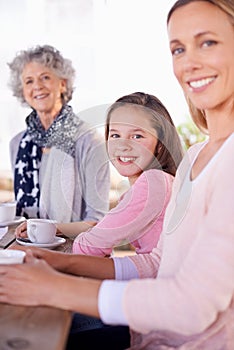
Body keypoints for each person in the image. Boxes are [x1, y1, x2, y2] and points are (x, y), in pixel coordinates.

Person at [0, 1, 233, 349]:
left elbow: (192, 307)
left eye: (208, 42)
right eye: (178, 48)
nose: (189, 62)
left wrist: (54, 285)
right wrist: (58, 261)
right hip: (146, 333)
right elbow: (157, 263)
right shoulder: (197, 157)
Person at [16, 92, 183, 256]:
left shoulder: (152, 183)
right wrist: (54, 228)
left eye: (137, 136)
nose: (123, 145)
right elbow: (99, 227)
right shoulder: (159, 182)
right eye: (115, 135)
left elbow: (90, 246)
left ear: (161, 144)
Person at [8, 45, 110, 223]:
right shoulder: (17, 144)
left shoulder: (90, 141)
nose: (37, 86)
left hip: (73, 247)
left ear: (62, 84)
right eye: (29, 81)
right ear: (22, 91)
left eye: (45, 77)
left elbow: (97, 219)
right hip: (25, 245)